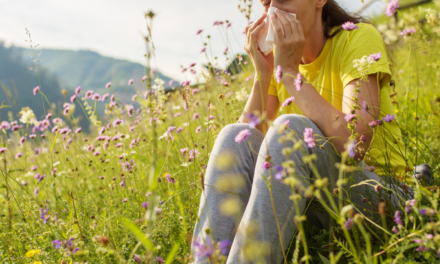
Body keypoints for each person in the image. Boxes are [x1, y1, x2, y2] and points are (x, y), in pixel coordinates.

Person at [191, 0, 416, 263]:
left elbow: (356, 143)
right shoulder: (281, 59)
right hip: (315, 202)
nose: (274, 10)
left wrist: (289, 73)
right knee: (232, 134)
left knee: (288, 130)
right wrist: (263, 75)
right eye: (266, 3)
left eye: (283, 0)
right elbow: (244, 145)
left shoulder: (358, 37)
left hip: (379, 196)